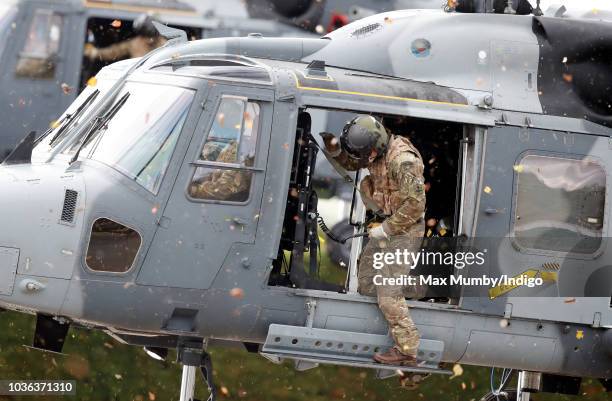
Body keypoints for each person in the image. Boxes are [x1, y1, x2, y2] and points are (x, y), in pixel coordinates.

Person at [320, 115, 426, 366]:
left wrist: (387, 229)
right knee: (367, 284)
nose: (364, 159)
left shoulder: (403, 161)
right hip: (389, 224)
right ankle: (418, 287)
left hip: (405, 227)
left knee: (387, 293)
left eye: (366, 155)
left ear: (376, 148)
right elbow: (355, 163)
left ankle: (408, 351)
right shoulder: (374, 152)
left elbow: (417, 205)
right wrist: (334, 150)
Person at [83, 14, 167, 62]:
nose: (147, 40)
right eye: (144, 35)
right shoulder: (135, 43)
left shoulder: (167, 46)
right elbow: (114, 51)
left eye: (150, 35)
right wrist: (95, 53)